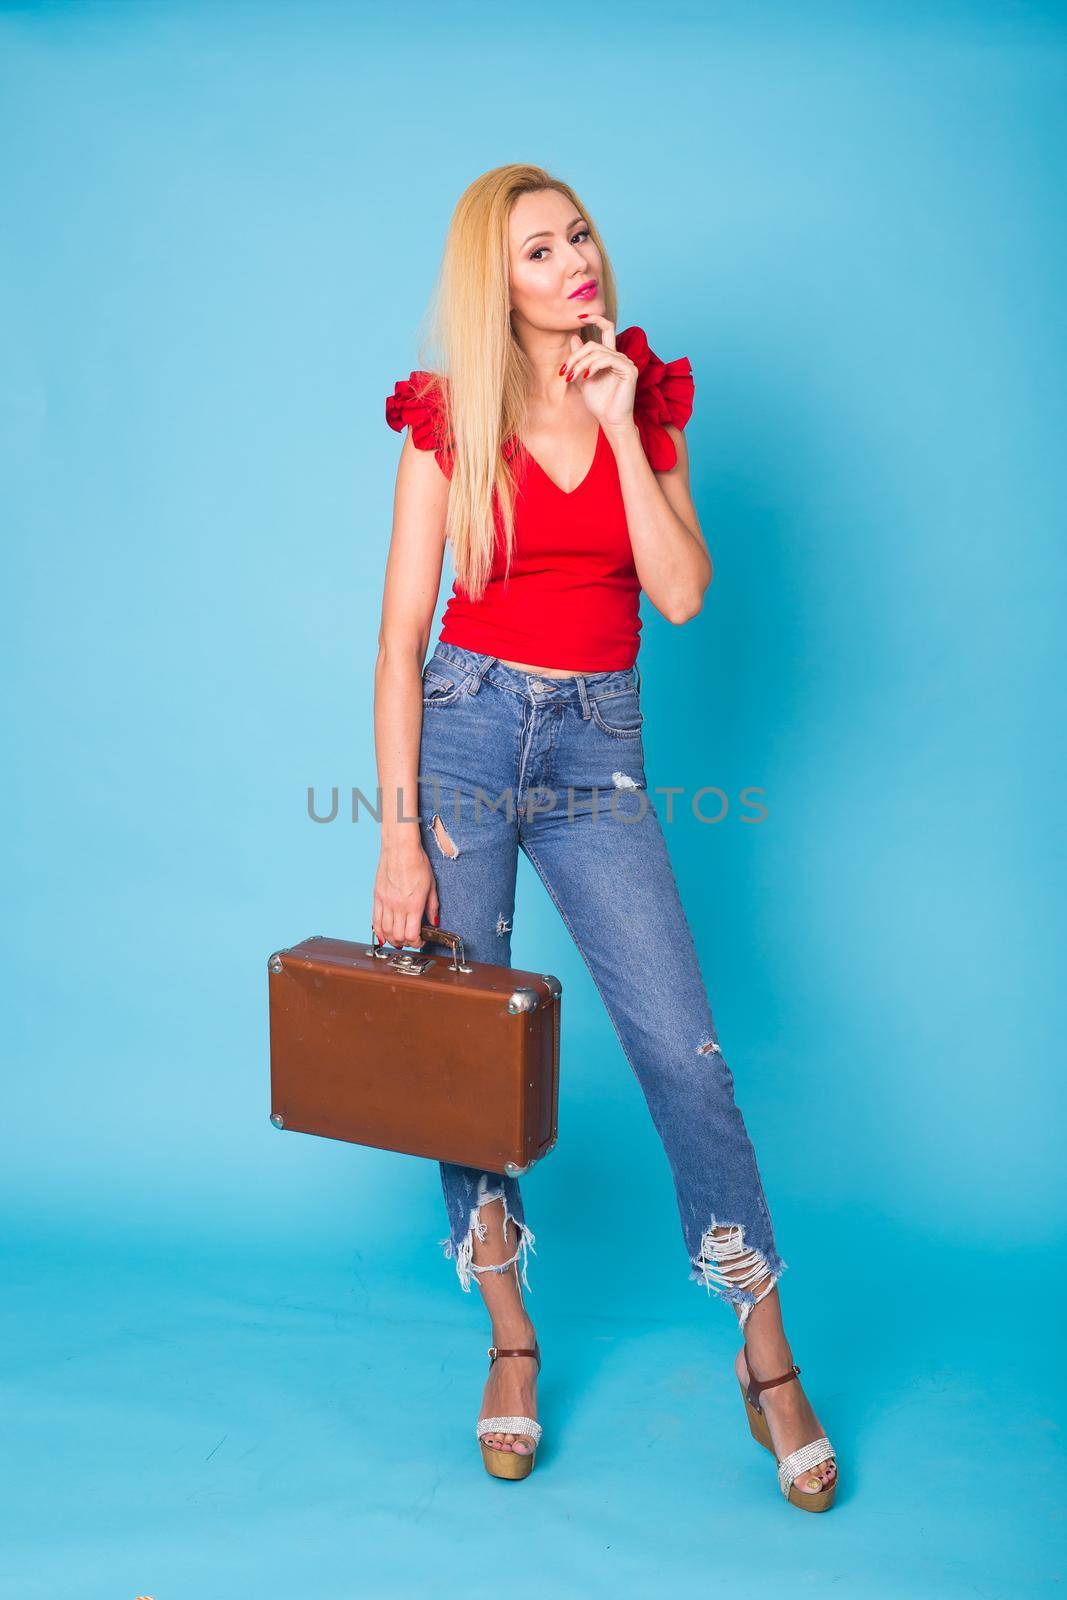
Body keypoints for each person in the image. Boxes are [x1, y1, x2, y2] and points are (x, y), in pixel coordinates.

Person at [373, 164, 838, 1508]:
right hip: (463, 733)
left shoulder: (646, 394)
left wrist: (624, 425)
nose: (575, 261)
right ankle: (511, 1336)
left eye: (579, 235)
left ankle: (766, 1358)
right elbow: (401, 644)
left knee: (683, 1056)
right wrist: (401, 842)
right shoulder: (446, 420)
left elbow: (682, 595)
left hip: (596, 750)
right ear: (495, 281)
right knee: (468, 1051)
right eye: (539, 250)